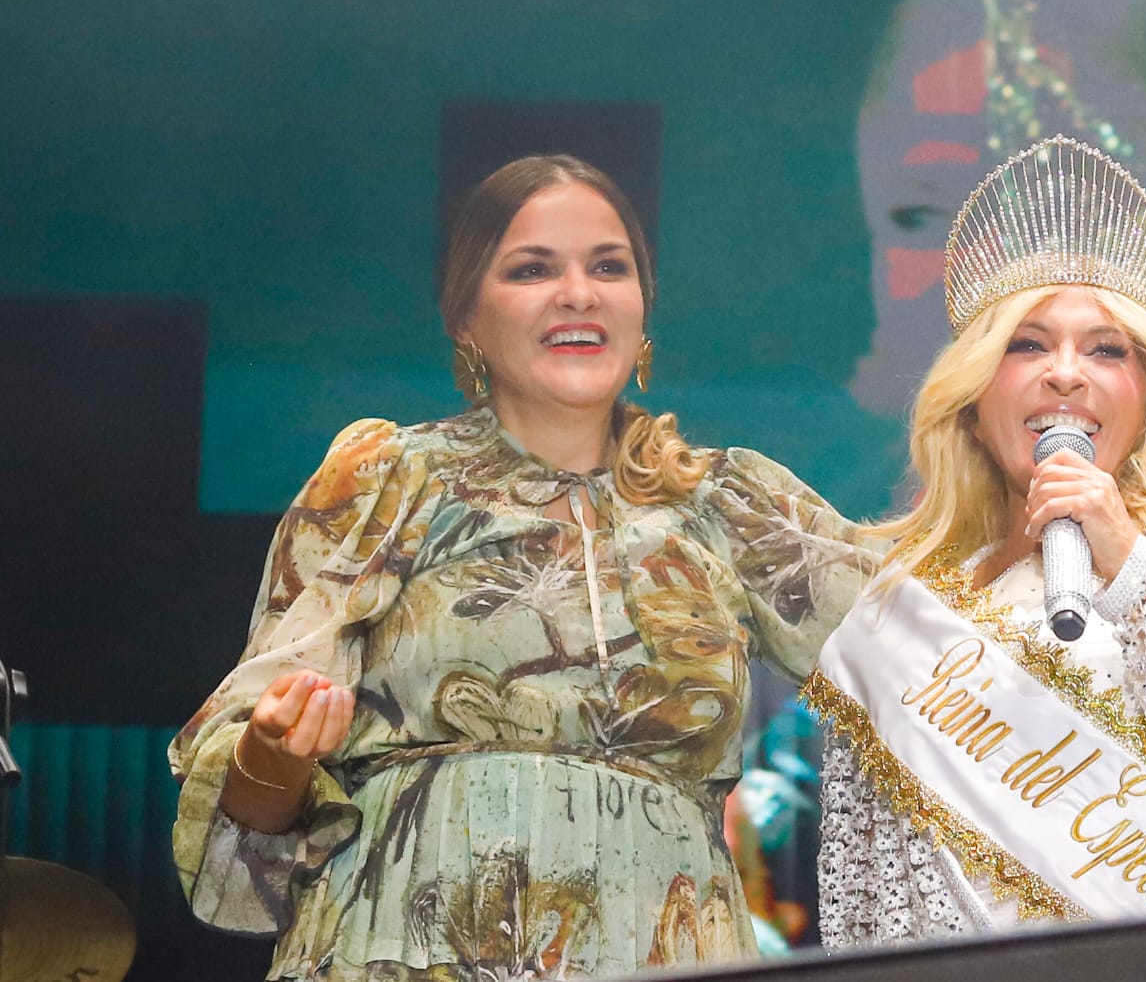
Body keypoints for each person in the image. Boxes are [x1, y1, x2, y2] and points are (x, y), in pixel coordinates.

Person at [167, 154, 879, 979]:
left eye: (607, 267)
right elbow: (244, 816)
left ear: (642, 309)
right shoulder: (388, 481)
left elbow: (939, 657)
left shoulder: (729, 503)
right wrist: (276, 755)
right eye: (533, 269)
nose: (578, 293)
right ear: (466, 317)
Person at [807, 135, 1146, 946]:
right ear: (973, 397)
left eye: (1106, 350)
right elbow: (861, 908)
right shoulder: (897, 614)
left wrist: (1133, 569)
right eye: (1027, 344)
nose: (1066, 373)